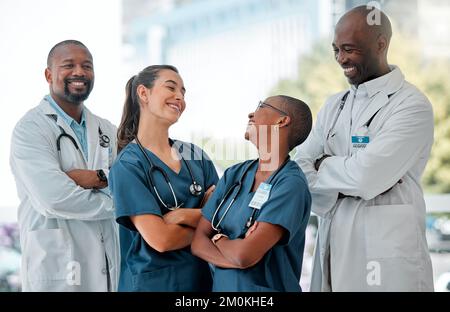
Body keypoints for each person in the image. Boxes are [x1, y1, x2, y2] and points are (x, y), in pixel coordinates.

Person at [294, 6, 434, 291]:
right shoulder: (334, 105)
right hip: (334, 243)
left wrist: (325, 165)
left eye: (349, 49)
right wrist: (343, 175)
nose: (341, 58)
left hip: (387, 262)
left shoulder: (411, 105)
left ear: (381, 44)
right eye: (336, 49)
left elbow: (367, 176)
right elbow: (300, 169)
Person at [9, 40, 119, 291]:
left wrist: (95, 178)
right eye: (68, 65)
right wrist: (120, 202)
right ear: (49, 74)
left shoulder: (107, 130)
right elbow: (55, 199)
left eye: (87, 66)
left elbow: (133, 180)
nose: (79, 72)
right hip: (57, 270)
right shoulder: (31, 129)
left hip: (106, 266)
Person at [108, 65, 218, 291]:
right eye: (171, 87)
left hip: (200, 284)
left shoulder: (195, 156)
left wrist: (182, 215)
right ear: (143, 93)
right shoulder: (128, 165)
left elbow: (224, 219)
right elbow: (162, 240)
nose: (180, 97)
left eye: (183, 92)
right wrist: (204, 219)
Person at [191, 95, 312, 292]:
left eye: (261, 106)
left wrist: (218, 238)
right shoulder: (234, 174)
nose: (251, 114)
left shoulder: (290, 185)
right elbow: (197, 243)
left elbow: (245, 255)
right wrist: (237, 255)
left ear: (282, 121)